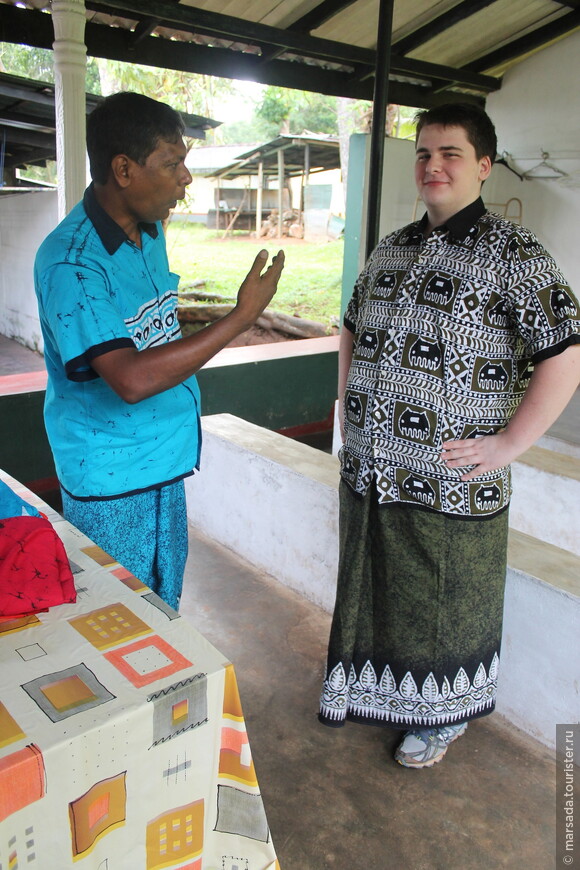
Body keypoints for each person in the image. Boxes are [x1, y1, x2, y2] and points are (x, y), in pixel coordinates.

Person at [319, 103, 580, 768]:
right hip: (374, 473)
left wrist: (508, 445)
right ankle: (371, 693)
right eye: (424, 153)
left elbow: (565, 354)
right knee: (374, 588)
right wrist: (347, 400)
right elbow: (351, 326)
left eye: (451, 153)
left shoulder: (514, 255)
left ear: (484, 167)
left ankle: (443, 717)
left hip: (451, 482)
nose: (433, 165)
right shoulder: (391, 247)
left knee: (443, 606)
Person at [34, 92, 284, 610]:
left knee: (163, 610)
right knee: (119, 624)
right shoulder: (72, 265)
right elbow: (130, 379)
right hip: (113, 482)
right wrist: (240, 318)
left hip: (161, 465)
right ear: (123, 170)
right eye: (172, 164)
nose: (186, 178)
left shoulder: (147, 231)